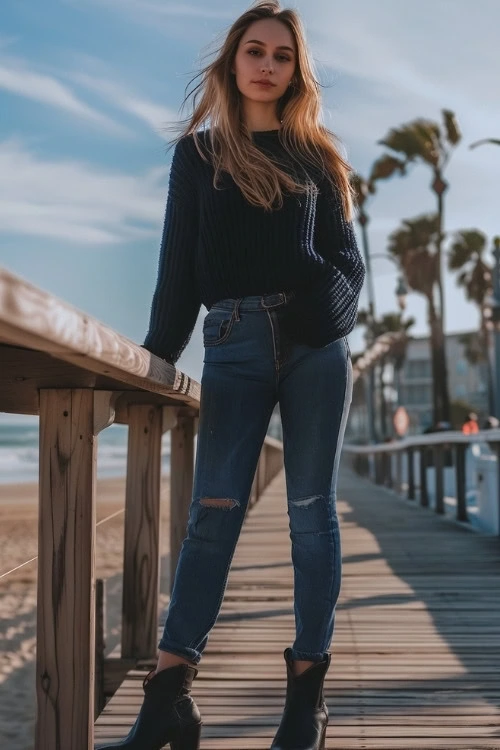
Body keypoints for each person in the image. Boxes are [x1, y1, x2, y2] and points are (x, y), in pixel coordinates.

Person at [97, 2, 364, 749]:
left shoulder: (319, 158)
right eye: (256, 50)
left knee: (312, 514)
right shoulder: (201, 155)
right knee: (212, 513)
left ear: (294, 70)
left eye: (283, 55)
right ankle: (170, 693)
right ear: (232, 61)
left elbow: (350, 268)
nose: (268, 65)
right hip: (234, 340)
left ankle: (306, 693)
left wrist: (318, 316)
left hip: (316, 350)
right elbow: (177, 271)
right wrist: (153, 360)